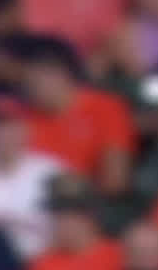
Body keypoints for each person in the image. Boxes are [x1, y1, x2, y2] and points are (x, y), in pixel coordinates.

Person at [21, 36, 139, 194]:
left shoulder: (106, 109)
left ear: (62, 75)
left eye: (39, 78)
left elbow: (116, 180)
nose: (33, 87)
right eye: (29, 81)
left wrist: (80, 186)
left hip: (86, 204)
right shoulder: (23, 117)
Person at [0, 95, 66, 260]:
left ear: (26, 130)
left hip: (40, 264)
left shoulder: (51, 172)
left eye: (11, 127)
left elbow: (69, 228)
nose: (3, 135)